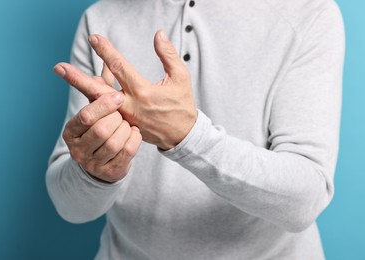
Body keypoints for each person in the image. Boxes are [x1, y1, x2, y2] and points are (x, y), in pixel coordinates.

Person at [46, 0, 345, 259]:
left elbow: (306, 199)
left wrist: (188, 136)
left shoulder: (309, 13)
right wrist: (96, 173)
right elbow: (70, 208)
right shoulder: (101, 19)